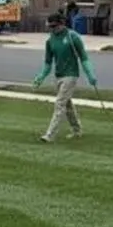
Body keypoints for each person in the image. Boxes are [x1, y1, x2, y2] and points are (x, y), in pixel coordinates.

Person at [32, 12, 98, 142]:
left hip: (71, 75)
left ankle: (50, 134)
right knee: (67, 105)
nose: (52, 29)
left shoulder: (73, 37)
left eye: (54, 26)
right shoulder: (50, 41)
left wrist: (90, 74)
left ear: (62, 24)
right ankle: (77, 129)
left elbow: (84, 58)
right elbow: (48, 63)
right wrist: (40, 77)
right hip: (58, 76)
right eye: (50, 27)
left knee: (59, 103)